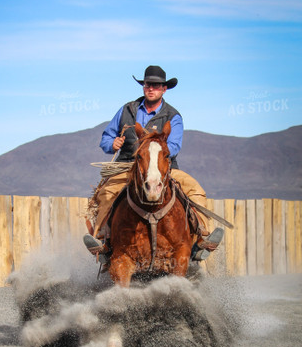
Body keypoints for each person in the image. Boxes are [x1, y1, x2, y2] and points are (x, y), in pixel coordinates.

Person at [84, 65, 223, 264]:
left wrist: (154, 153)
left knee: (196, 190)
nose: (151, 88)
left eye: (156, 85)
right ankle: (102, 241)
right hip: (127, 167)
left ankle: (201, 237)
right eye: (148, 84)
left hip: (164, 168)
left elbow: (174, 145)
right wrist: (111, 144)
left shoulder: (173, 116)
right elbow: (106, 137)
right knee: (107, 193)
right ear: (143, 86)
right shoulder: (127, 110)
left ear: (164, 89)